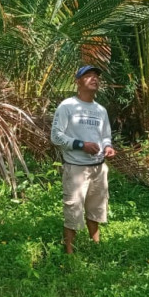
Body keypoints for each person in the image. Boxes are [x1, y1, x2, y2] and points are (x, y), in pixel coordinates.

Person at [51, 65, 116, 254]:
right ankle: (69, 253)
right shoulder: (67, 106)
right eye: (88, 76)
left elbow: (105, 135)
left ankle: (96, 247)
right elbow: (56, 136)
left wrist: (108, 147)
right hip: (76, 169)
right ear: (78, 81)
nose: (94, 79)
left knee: (96, 209)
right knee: (73, 210)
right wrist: (81, 145)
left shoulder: (100, 110)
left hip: (98, 168)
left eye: (96, 76)